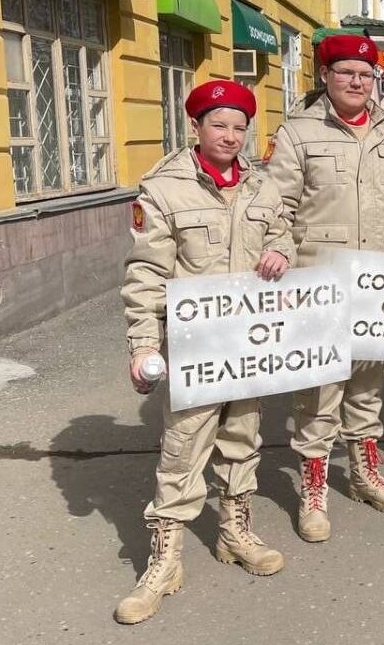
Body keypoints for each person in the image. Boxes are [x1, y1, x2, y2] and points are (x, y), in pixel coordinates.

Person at [117, 80, 293, 624]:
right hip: (195, 346)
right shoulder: (164, 190)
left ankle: (234, 531)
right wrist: (144, 343)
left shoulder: (261, 187)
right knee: (184, 446)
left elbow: (284, 233)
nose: (230, 136)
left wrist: (280, 253)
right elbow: (145, 274)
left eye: (240, 127)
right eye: (219, 125)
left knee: (243, 436)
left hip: (249, 342)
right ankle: (165, 558)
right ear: (196, 127)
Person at [266, 33, 384, 543]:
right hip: (319, 280)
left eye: (365, 74)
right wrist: (279, 251)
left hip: (377, 284)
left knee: (367, 383)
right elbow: (276, 205)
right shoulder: (298, 134)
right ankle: (313, 488)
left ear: (375, 80)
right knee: (319, 390)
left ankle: (364, 473)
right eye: (345, 73)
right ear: (325, 77)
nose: (357, 82)